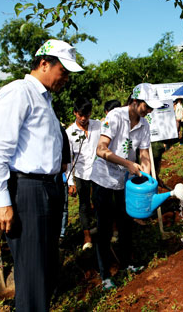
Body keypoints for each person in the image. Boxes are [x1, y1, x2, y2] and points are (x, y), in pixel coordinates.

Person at [0, 39, 84, 311]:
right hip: (27, 191)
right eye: (63, 71)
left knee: (44, 269)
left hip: (47, 189)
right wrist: (2, 201)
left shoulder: (44, 99)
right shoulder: (19, 92)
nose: (65, 79)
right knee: (32, 272)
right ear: (44, 64)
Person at [90, 83, 163, 289]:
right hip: (103, 179)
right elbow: (101, 149)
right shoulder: (115, 117)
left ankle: (127, 263)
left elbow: (144, 154)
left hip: (125, 182)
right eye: (146, 106)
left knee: (125, 223)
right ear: (135, 101)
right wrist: (127, 164)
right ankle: (105, 275)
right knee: (104, 228)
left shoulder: (144, 125)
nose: (149, 111)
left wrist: (146, 178)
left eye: (151, 108)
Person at [66, 97, 102, 250]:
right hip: (81, 174)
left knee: (102, 201)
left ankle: (106, 229)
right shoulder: (69, 133)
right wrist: (70, 182)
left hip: (100, 172)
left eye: (86, 115)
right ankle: (87, 236)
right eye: (80, 115)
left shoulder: (98, 126)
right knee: (84, 205)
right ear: (75, 113)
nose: (83, 118)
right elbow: (68, 159)